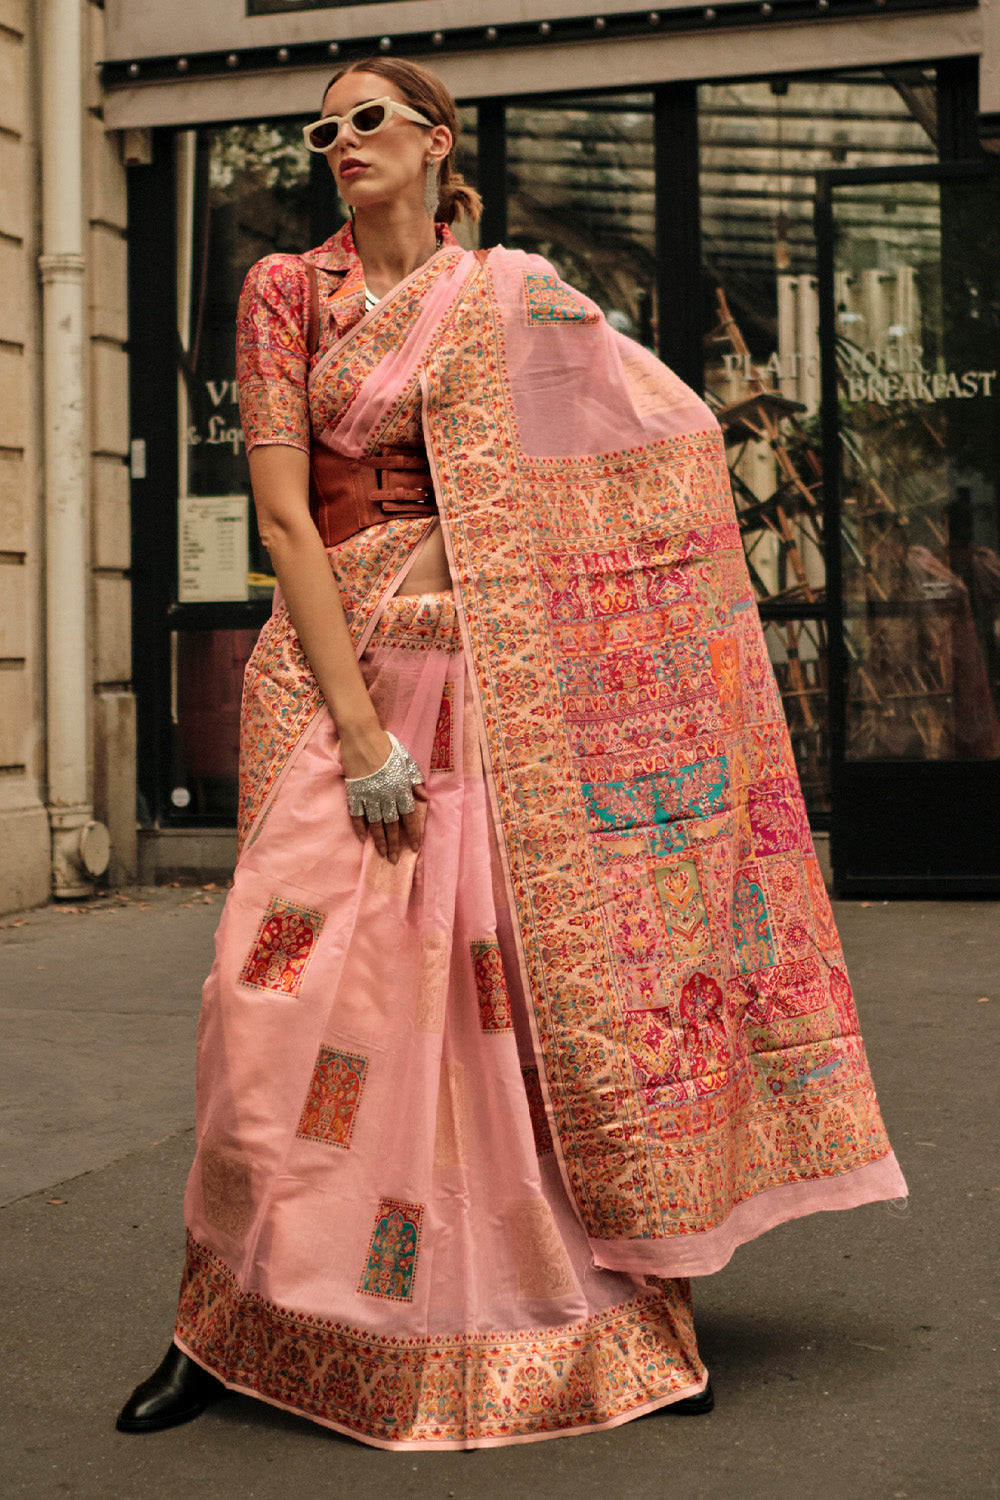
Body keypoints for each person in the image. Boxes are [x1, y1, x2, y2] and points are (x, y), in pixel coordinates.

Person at [117, 58, 906, 1450]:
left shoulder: (508, 293)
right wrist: (360, 734)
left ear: (434, 143)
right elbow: (288, 524)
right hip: (331, 681)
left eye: (368, 120)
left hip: (489, 686)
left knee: (498, 1008)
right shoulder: (289, 293)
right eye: (324, 127)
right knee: (267, 1011)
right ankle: (222, 1318)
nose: (339, 143)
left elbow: (663, 431)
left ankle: (607, 1301)